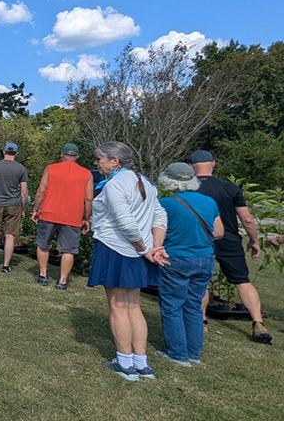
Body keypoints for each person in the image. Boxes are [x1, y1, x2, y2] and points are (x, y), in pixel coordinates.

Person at [87, 141, 169, 382]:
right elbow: (160, 215)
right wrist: (155, 246)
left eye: (100, 159)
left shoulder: (115, 185)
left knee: (118, 306)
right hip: (136, 249)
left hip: (117, 248)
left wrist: (147, 249)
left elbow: (125, 222)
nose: (96, 163)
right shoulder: (146, 182)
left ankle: (125, 362)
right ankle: (141, 363)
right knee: (133, 306)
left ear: (115, 161)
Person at [191, 150, 273, 344]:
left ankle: (202, 321)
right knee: (242, 281)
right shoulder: (229, 187)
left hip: (201, 237)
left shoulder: (190, 188)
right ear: (213, 163)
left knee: (202, 280)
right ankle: (258, 322)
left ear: (192, 165)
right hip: (228, 238)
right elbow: (247, 219)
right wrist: (254, 241)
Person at [156, 162, 224, 366]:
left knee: (172, 305)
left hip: (176, 257)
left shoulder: (166, 204)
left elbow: (158, 230)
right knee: (194, 305)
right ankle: (194, 352)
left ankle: (177, 353)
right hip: (204, 258)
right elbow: (219, 232)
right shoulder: (209, 202)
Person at [31, 143, 92, 289]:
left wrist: (35, 209)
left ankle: (43, 275)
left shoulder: (51, 168)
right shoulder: (86, 173)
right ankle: (62, 281)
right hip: (72, 216)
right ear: (77, 157)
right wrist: (86, 218)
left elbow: (41, 191)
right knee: (68, 250)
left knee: (43, 244)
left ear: (62, 155)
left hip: (48, 212)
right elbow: (89, 199)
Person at [0, 142, 28, 274]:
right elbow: (24, 193)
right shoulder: (21, 169)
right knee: (10, 235)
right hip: (13, 205)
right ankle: (5, 265)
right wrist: (23, 208)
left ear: (4, 152)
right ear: (16, 153)